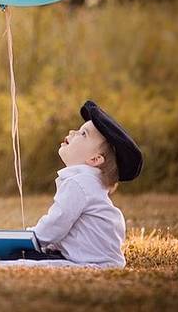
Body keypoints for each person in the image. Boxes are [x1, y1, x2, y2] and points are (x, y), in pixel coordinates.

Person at [24, 100, 144, 268]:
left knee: (17, 258)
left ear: (95, 159)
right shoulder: (89, 183)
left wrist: (29, 238)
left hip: (89, 261)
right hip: (99, 259)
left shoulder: (78, 183)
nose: (72, 132)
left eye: (83, 134)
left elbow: (55, 225)